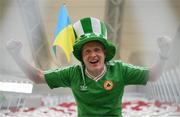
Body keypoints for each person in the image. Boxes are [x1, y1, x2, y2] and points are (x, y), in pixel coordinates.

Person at [6, 17, 172, 117]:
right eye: (87, 51)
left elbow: (153, 75)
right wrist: (16, 55)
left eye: (97, 50)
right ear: (82, 57)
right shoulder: (73, 73)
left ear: (105, 54)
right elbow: (38, 77)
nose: (93, 55)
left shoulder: (120, 70)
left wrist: (163, 54)